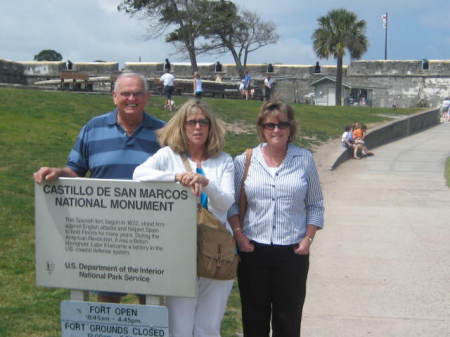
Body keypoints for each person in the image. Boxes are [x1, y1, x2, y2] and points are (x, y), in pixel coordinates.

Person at [33, 72, 165, 304]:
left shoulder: (164, 133)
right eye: (125, 93)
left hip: (151, 233)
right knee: (107, 301)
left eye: (137, 93)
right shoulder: (93, 128)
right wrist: (56, 173)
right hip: (106, 232)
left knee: (151, 301)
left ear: (148, 97)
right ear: (114, 97)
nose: (131, 98)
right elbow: (75, 169)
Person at [133, 99, 235, 337]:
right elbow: (139, 174)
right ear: (182, 126)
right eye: (191, 122)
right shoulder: (168, 155)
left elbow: (226, 202)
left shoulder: (224, 161)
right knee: (179, 326)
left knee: (208, 327)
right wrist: (178, 177)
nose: (197, 127)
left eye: (203, 122)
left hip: (215, 249)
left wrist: (205, 183)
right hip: (178, 250)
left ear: (211, 127)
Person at [228, 100, 324, 337]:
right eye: (270, 125)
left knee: (288, 321)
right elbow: (232, 205)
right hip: (253, 250)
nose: (276, 130)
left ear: (291, 128)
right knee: (254, 318)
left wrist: (307, 240)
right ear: (261, 128)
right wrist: (239, 236)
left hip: (292, 252)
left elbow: (315, 204)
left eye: (282, 124)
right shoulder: (245, 160)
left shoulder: (304, 159)